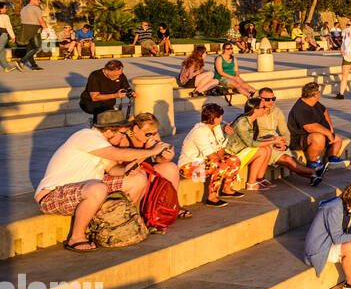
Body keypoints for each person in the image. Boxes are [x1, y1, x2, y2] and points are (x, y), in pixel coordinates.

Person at [35, 110, 156, 251]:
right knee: (98, 189)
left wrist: (129, 170)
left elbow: (113, 169)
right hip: (52, 195)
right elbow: (119, 154)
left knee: (137, 178)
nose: (124, 137)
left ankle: (125, 222)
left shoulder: (101, 142)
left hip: (85, 189)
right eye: (123, 133)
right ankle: (76, 237)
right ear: (110, 131)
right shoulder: (87, 136)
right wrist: (152, 151)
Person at [303, 181, 351, 289]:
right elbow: (337, 238)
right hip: (320, 248)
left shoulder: (350, 206)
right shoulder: (334, 209)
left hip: (333, 242)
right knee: (350, 247)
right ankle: (350, 283)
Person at [252, 88, 326, 185]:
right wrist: (225, 126)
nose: (271, 102)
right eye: (267, 99)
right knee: (287, 160)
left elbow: (285, 132)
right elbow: (241, 122)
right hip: (263, 143)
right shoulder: (253, 110)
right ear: (259, 98)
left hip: (277, 141)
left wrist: (285, 144)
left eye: (273, 99)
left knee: (291, 159)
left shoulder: (277, 111)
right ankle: (314, 172)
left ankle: (313, 176)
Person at [178, 102, 247, 206]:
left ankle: (227, 189)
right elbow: (212, 156)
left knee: (234, 160)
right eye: (220, 116)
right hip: (188, 166)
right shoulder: (199, 131)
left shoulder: (216, 127)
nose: (221, 118)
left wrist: (223, 158)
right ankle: (212, 197)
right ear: (213, 118)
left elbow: (221, 148)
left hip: (206, 161)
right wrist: (221, 162)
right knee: (219, 165)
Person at [288, 81, 348, 170]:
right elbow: (309, 127)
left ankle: (332, 158)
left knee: (337, 139)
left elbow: (324, 111)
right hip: (298, 138)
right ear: (315, 94)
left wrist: (330, 128)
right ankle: (312, 162)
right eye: (318, 92)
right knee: (319, 138)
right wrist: (328, 133)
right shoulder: (300, 107)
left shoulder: (314, 102)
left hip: (314, 133)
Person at [224, 99, 277, 190]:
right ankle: (251, 183)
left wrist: (273, 139)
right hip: (232, 156)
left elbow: (255, 140)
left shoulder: (252, 121)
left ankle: (259, 179)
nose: (265, 109)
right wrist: (274, 141)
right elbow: (251, 143)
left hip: (242, 151)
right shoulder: (242, 122)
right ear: (255, 109)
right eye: (262, 107)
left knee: (267, 148)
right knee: (262, 151)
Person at [17, 0, 48, 70]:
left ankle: (34, 66)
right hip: (35, 30)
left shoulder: (23, 9)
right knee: (38, 48)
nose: (39, 2)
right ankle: (21, 61)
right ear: (32, 0)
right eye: (38, 0)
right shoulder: (36, 8)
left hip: (26, 30)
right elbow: (41, 21)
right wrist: (47, 30)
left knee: (30, 48)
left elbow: (21, 20)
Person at [336, 19, 351, 99]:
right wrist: (342, 50)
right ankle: (341, 94)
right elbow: (343, 44)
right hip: (347, 57)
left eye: (349, 25)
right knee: (344, 76)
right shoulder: (346, 35)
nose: (347, 26)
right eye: (347, 25)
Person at [0, 2, 15, 71]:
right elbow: (8, 27)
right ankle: (7, 66)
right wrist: (13, 36)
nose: (6, 9)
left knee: (2, 52)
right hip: (2, 34)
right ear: (0, 9)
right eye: (5, 8)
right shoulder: (5, 16)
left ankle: (7, 67)